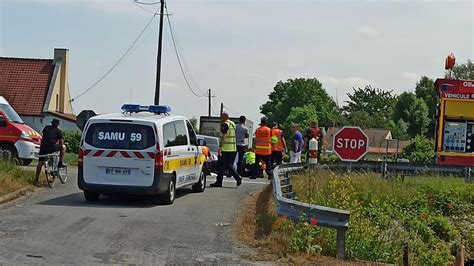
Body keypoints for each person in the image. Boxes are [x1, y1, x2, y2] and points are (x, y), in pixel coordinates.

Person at [210, 112, 242, 187]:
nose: (220, 118)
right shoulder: (233, 124)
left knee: (220, 165)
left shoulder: (225, 125)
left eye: (221, 117)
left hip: (225, 149)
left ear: (224, 117)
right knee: (228, 165)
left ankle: (220, 181)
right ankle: (236, 178)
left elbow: (224, 137)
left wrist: (220, 148)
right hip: (232, 149)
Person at [35, 119, 67, 184]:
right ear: (58, 124)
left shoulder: (46, 128)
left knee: (40, 162)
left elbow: (45, 136)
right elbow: (61, 142)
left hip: (43, 147)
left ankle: (36, 179)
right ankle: (60, 162)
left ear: (51, 123)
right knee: (63, 147)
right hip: (52, 147)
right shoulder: (59, 131)